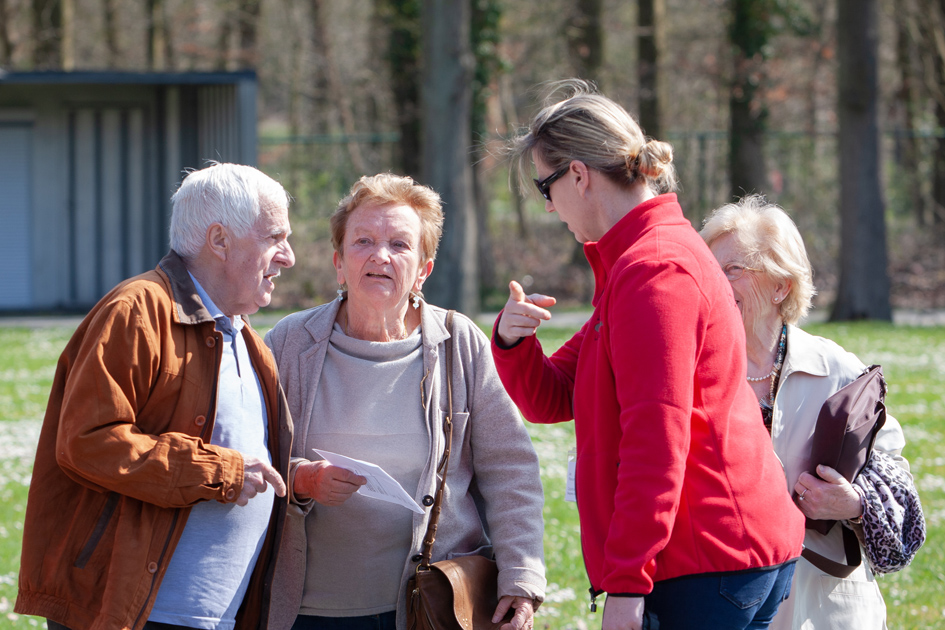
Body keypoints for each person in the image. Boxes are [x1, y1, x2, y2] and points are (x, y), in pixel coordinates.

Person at [492, 81, 805, 630]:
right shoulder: (644, 258)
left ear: (579, 175)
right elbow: (554, 395)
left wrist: (626, 584)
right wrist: (515, 344)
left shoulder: (654, 270)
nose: (548, 205)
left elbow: (657, 439)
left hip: (705, 561)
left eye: (546, 186)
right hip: (725, 554)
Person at [15, 162, 296, 630]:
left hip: (212, 615)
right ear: (220, 240)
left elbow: (239, 452)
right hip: (138, 613)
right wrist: (218, 471)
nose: (288, 256)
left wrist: (290, 477)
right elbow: (87, 442)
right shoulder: (137, 311)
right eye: (274, 237)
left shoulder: (241, 333)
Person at [264, 173, 546, 630]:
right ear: (339, 262)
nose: (380, 256)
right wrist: (301, 478)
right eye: (364, 241)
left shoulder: (459, 344)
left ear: (423, 269)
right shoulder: (289, 343)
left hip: (430, 609)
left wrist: (521, 576)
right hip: (308, 611)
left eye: (399, 244)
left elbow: (510, 468)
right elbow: (248, 453)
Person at [701, 195, 925, 630]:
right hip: (727, 604)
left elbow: (900, 487)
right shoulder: (694, 370)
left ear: (781, 285)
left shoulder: (838, 371)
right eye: (711, 271)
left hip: (825, 610)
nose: (716, 284)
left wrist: (855, 502)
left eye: (732, 270)